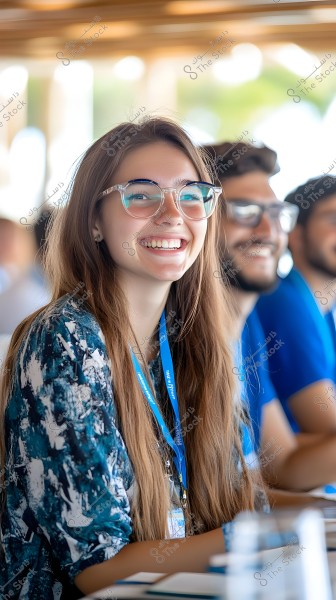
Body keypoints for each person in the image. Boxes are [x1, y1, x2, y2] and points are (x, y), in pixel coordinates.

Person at [0, 118, 265, 599]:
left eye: (190, 194)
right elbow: (99, 569)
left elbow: (246, 503)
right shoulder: (64, 341)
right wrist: (257, 539)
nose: (171, 213)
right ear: (94, 220)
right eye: (141, 194)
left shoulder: (196, 340)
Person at [203, 140, 336, 501]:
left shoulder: (246, 328)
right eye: (244, 211)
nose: (266, 229)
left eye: (276, 214)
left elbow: (280, 464)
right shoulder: (285, 303)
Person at [257, 175, 336, 434]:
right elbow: (327, 427)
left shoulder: (320, 311)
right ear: (295, 235)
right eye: (333, 220)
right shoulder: (284, 303)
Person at [0, 214, 51, 335]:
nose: (9, 244)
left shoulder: (24, 274)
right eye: (2, 238)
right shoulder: (23, 286)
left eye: (12, 238)